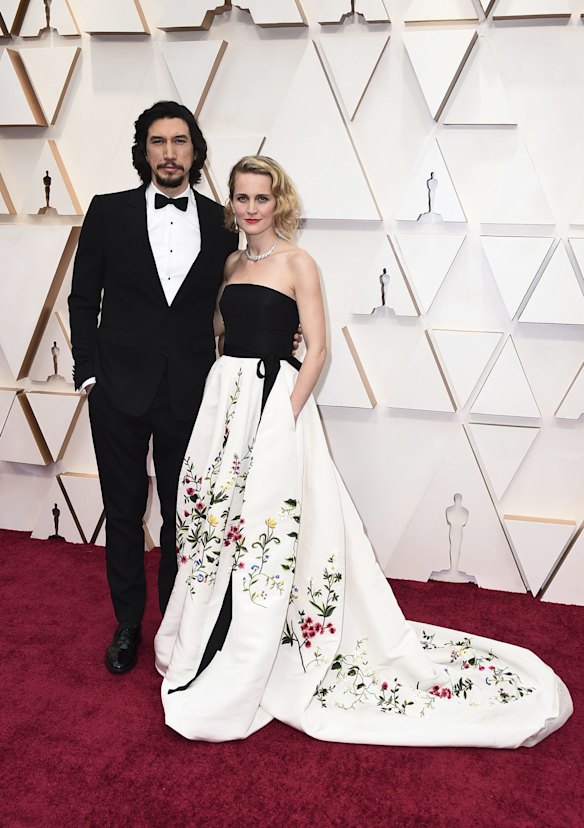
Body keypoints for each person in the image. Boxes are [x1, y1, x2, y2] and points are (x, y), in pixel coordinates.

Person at [154, 156, 572, 747]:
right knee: (217, 524)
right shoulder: (228, 263)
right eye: (242, 199)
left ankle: (267, 642)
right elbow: (224, 334)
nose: (251, 209)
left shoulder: (300, 263)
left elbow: (318, 350)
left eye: (261, 199)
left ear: (280, 203)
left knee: (269, 527)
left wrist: (285, 414)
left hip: (276, 406)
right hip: (228, 404)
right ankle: (214, 636)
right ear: (233, 204)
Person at [68, 101, 239, 675]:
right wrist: (88, 371)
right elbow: (83, 295)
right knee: (121, 511)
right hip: (116, 387)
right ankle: (127, 624)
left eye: (180, 141)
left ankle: (174, 621)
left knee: (179, 516)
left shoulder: (221, 222)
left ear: (196, 150)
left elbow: (231, 301)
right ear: (144, 150)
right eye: (159, 142)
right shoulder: (107, 211)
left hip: (188, 391)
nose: (170, 153)